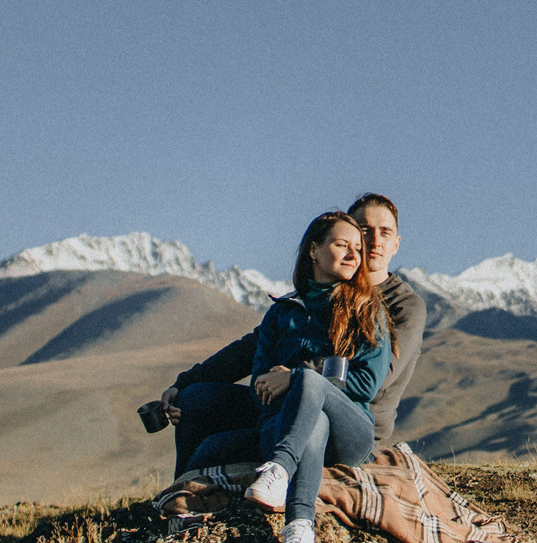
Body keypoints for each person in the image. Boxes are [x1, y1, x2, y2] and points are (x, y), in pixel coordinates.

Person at [153, 193, 424, 474]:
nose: (373, 241)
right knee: (195, 400)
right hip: (278, 407)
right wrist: (184, 383)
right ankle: (178, 501)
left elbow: (375, 381)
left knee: (229, 442)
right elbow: (250, 349)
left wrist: (294, 377)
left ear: (396, 243)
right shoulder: (316, 292)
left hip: (345, 423)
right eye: (363, 230)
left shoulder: (401, 305)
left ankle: (279, 476)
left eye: (385, 232)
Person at [241, 211, 390, 543]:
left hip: (350, 431)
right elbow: (259, 385)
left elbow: (365, 384)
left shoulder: (367, 310)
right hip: (287, 426)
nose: (355, 255)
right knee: (314, 424)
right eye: (343, 245)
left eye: (358, 248)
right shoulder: (282, 314)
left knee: (309, 383)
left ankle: (278, 470)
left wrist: (294, 377)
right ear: (313, 250)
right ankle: (299, 529)